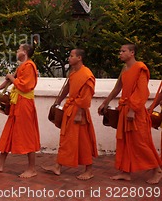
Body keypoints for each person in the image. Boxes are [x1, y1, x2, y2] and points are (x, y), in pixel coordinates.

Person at [98, 44, 162, 184]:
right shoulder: (124, 68)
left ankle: (157, 170)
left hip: (136, 112)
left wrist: (133, 110)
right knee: (125, 141)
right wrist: (105, 103)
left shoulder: (140, 68)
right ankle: (125, 172)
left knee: (141, 142)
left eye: (123, 51)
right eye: (120, 51)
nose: (120, 53)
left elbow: (142, 91)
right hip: (125, 109)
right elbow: (117, 88)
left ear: (132, 53)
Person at [42, 48, 98, 180]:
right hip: (70, 110)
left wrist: (79, 113)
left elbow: (86, 98)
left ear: (79, 58)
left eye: (72, 56)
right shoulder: (73, 72)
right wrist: (57, 102)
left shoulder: (86, 74)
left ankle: (89, 170)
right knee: (66, 139)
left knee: (83, 141)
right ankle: (57, 166)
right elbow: (67, 87)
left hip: (80, 111)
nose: (69, 58)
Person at [0, 43, 40, 178]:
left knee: (28, 134)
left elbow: (24, 86)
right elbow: (9, 81)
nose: (17, 51)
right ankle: (0, 163)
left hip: (25, 104)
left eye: (19, 49)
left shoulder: (29, 66)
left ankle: (32, 168)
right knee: (9, 132)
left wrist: (12, 78)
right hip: (17, 104)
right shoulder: (22, 66)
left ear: (25, 52)